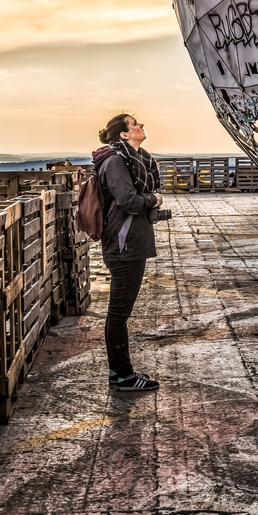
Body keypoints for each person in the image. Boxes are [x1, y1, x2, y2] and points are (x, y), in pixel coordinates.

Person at [91, 113, 164, 392]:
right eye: (134, 124)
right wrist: (153, 199)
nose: (141, 125)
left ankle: (119, 373)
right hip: (123, 245)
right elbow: (128, 201)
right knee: (119, 313)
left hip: (130, 243)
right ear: (123, 134)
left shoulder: (131, 160)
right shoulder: (115, 161)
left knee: (120, 312)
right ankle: (123, 376)